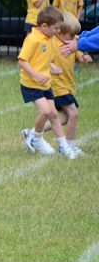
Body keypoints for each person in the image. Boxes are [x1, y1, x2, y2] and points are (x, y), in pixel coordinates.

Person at [18, 6, 73, 158]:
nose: (58, 31)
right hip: (31, 84)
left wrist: (52, 66)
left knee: (54, 114)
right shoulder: (33, 39)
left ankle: (63, 146)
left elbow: (42, 59)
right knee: (46, 112)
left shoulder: (48, 38)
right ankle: (37, 138)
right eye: (56, 28)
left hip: (44, 84)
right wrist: (36, 75)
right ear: (44, 26)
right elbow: (23, 61)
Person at [49, 13, 91, 157]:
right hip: (57, 86)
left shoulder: (72, 44)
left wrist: (84, 58)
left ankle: (33, 133)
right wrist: (51, 66)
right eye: (70, 36)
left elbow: (79, 57)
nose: (74, 39)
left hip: (68, 86)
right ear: (59, 32)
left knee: (64, 119)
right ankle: (70, 146)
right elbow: (42, 59)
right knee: (74, 114)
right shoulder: (52, 43)